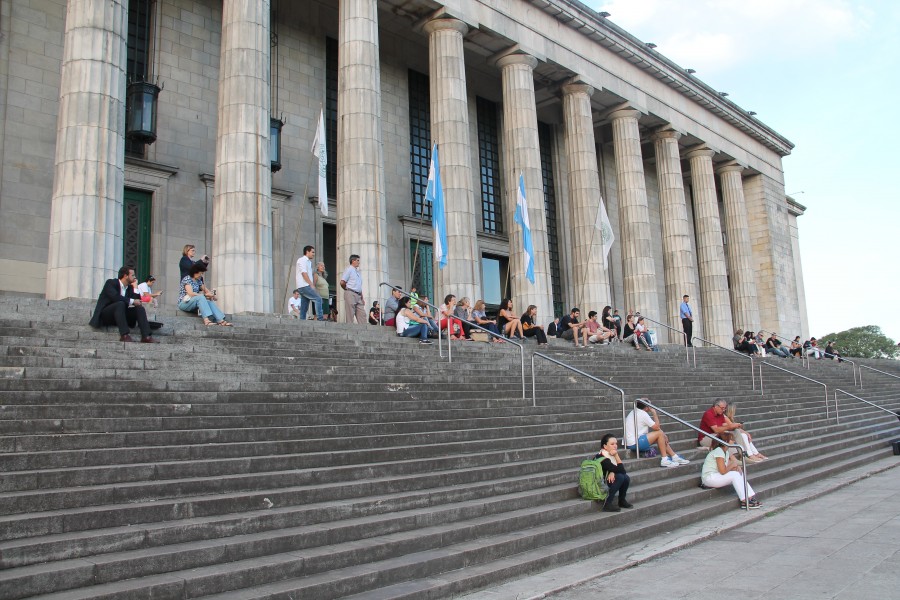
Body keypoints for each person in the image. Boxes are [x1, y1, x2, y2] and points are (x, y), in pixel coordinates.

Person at [89, 266, 160, 343]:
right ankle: (124, 335)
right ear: (125, 276)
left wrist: (135, 287)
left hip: (121, 316)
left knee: (139, 308)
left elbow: (137, 301)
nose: (135, 277)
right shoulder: (111, 283)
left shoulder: (129, 288)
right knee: (120, 303)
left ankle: (146, 336)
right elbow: (115, 297)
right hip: (107, 315)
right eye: (132, 275)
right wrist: (132, 301)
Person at [701, 432, 762, 509]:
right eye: (731, 439)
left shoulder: (725, 452)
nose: (733, 441)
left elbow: (727, 468)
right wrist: (733, 465)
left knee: (738, 473)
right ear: (726, 441)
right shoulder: (718, 451)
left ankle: (749, 497)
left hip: (716, 476)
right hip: (709, 478)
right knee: (735, 475)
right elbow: (723, 471)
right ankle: (744, 500)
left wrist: (735, 467)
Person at [624, 399, 690, 468]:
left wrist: (663, 434)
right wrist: (654, 412)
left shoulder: (635, 411)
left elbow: (657, 428)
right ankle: (664, 460)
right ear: (647, 407)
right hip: (635, 443)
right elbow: (657, 427)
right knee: (659, 434)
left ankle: (674, 456)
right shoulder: (642, 414)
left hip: (632, 441)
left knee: (660, 435)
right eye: (650, 405)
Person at [595, 434, 633, 512]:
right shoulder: (602, 457)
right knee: (620, 477)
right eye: (612, 444)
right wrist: (616, 455)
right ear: (605, 446)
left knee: (625, 477)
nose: (615, 446)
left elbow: (618, 469)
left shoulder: (609, 455)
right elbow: (622, 470)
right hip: (599, 484)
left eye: (616, 444)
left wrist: (612, 471)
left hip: (606, 480)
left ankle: (621, 500)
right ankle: (607, 503)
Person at [295, 245, 324, 321]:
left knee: (304, 305)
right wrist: (311, 284)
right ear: (307, 252)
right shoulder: (302, 260)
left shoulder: (309, 262)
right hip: (304, 285)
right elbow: (304, 273)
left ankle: (302, 320)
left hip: (304, 285)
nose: (314, 254)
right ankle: (320, 318)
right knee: (318, 298)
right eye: (312, 252)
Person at [340, 254, 366, 324]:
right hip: (350, 292)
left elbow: (359, 286)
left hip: (358, 295)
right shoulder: (349, 269)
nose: (359, 262)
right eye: (357, 260)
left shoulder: (358, 272)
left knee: (362, 314)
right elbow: (342, 282)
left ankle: (364, 329)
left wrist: (362, 298)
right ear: (353, 261)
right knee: (350, 313)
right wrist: (346, 289)